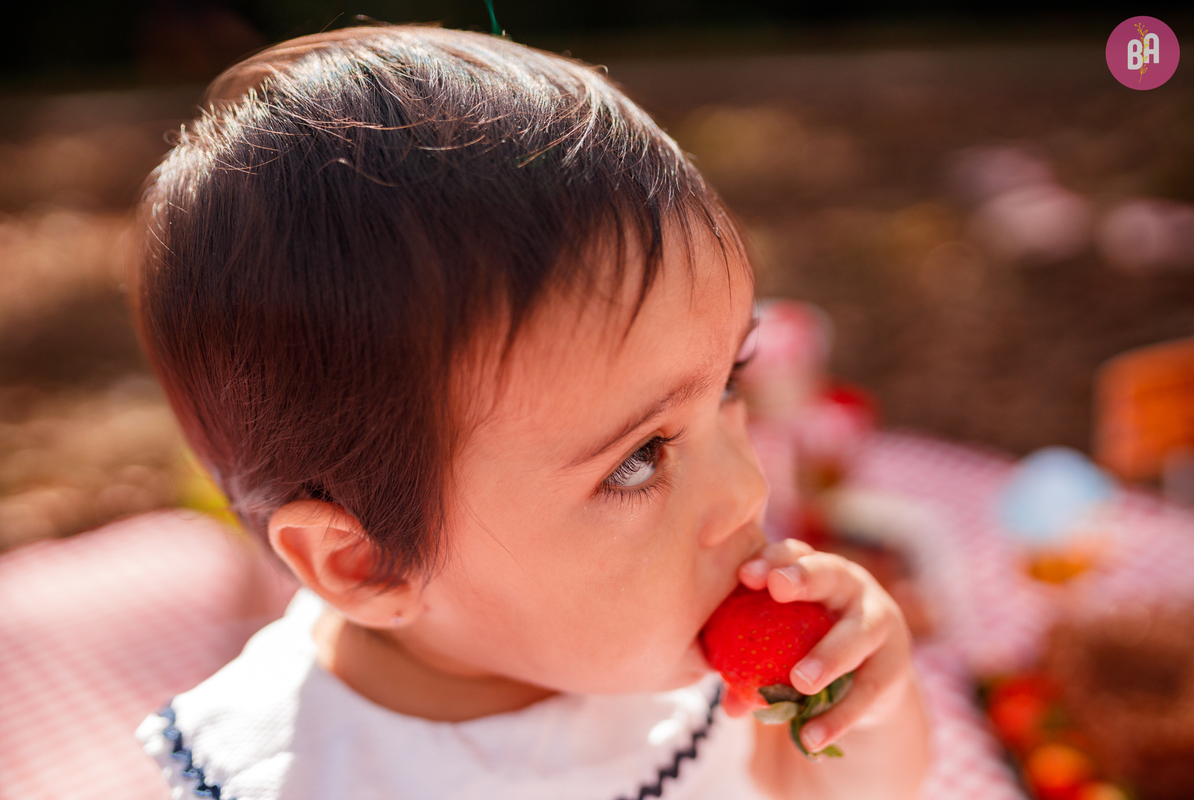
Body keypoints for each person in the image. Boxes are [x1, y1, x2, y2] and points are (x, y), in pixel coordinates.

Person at [130, 23, 930, 800]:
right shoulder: (291, 776)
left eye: (729, 383)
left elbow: (823, 788)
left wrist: (862, 705)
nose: (748, 492)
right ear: (367, 562)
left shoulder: (678, 666)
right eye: (638, 458)